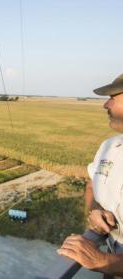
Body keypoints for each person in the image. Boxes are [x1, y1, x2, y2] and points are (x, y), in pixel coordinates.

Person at [57, 73, 123, 277]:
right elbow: (91, 185)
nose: (106, 105)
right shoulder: (109, 146)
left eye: (114, 97)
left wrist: (103, 261)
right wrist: (95, 211)